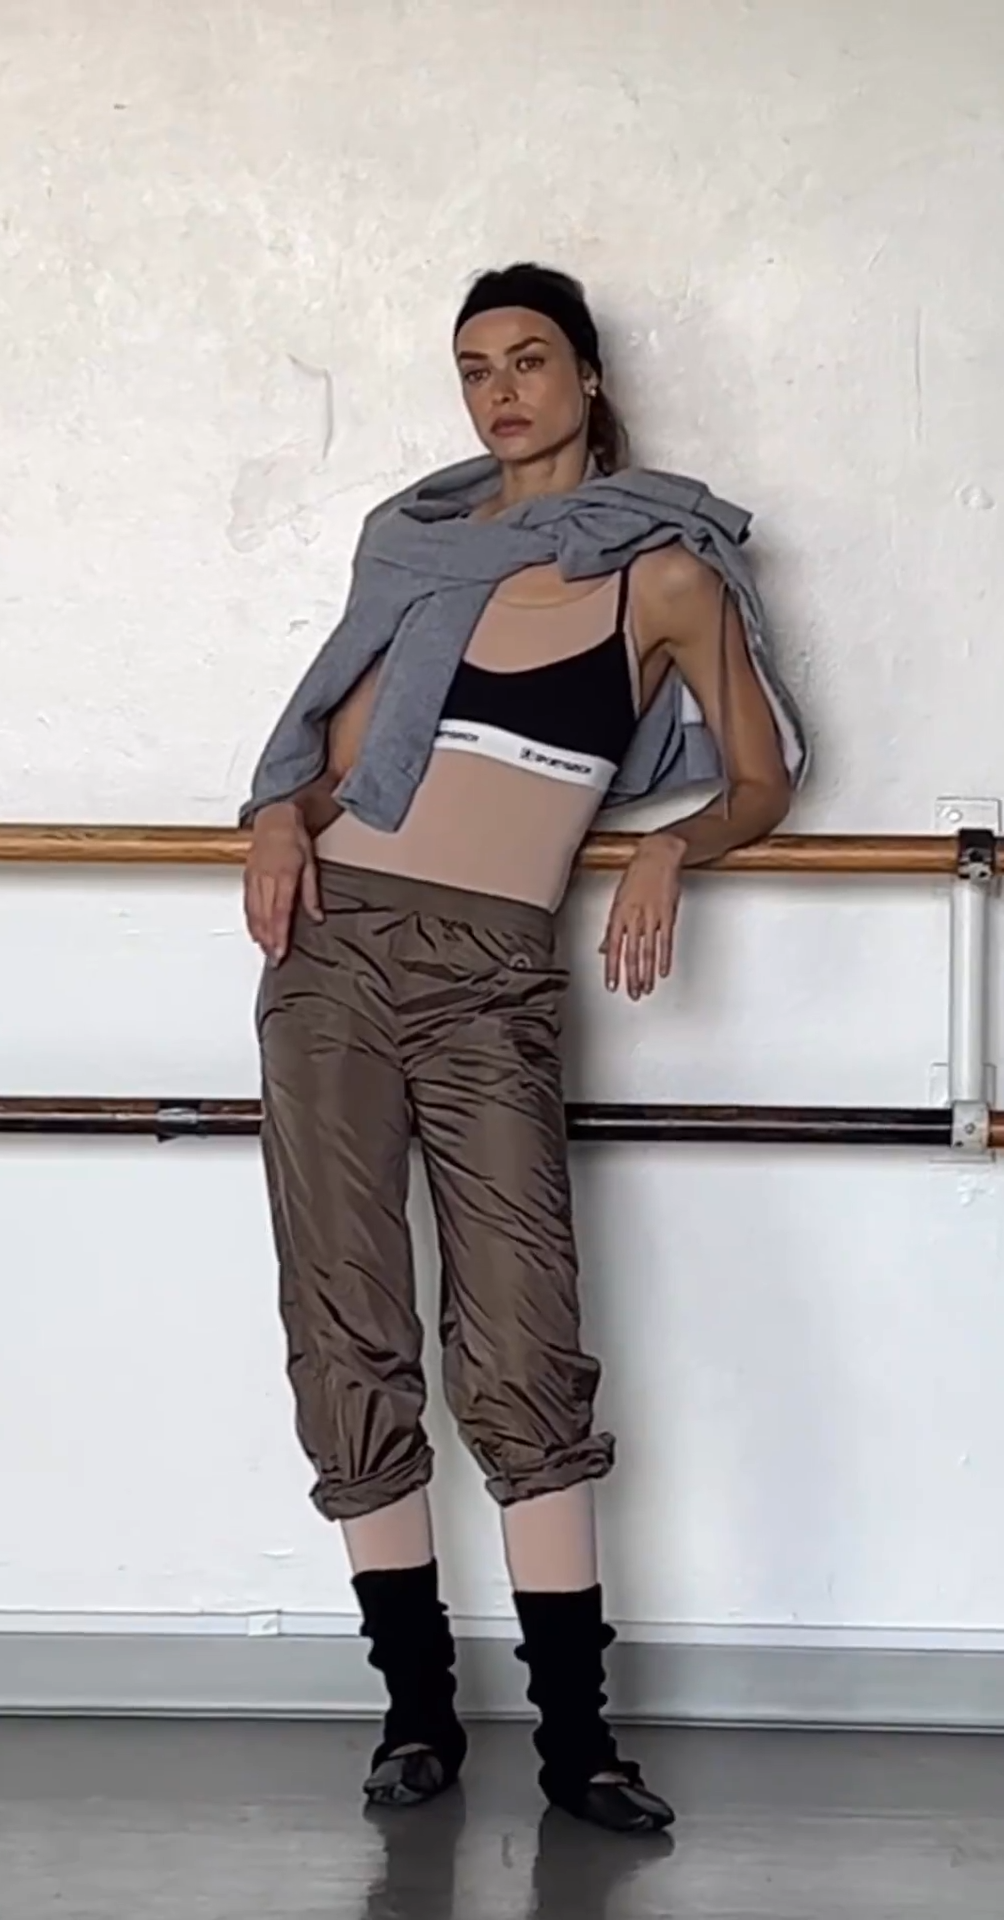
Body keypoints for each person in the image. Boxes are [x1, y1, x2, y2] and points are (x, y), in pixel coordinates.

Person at [242, 263, 805, 1833]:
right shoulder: (418, 548)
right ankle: (416, 1713)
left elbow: (761, 777)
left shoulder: (663, 574)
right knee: (345, 1322)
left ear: (590, 376)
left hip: (493, 973)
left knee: (522, 1339)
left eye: (531, 360)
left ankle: (579, 1743)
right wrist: (276, 814)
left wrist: (673, 844)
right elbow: (335, 756)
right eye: (475, 368)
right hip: (333, 947)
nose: (502, 392)